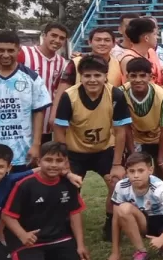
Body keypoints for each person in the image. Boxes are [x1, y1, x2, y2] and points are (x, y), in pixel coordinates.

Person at [55, 54, 132, 239]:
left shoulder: (115, 94)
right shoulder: (69, 96)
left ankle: (110, 223)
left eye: (97, 75)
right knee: (67, 188)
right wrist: (63, 161)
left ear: (105, 76)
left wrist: (116, 164)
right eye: (87, 76)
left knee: (116, 183)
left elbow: (121, 131)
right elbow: (59, 129)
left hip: (104, 150)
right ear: (81, 76)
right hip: (75, 152)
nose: (92, 80)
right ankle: (66, 227)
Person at [0, 142, 90, 260]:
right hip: (29, 240)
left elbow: (75, 214)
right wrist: (23, 235)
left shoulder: (68, 184)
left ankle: (46, 258)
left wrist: (80, 245)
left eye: (59, 161)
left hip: (57, 237)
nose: (53, 165)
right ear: (38, 161)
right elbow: (7, 216)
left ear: (66, 163)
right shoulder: (25, 185)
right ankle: (33, 259)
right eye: (48, 160)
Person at [0, 30, 53, 173]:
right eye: (0, 50)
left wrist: (36, 145)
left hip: (23, 152)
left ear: (18, 50)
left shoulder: (32, 78)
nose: (5, 55)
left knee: (22, 193)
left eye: (10, 50)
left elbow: (39, 112)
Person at [104, 152, 163, 260]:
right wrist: (115, 252)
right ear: (126, 172)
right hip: (144, 221)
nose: (136, 175)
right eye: (131, 171)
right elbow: (116, 219)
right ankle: (141, 252)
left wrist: (162, 238)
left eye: (141, 171)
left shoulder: (159, 187)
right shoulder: (121, 186)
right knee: (123, 209)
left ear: (150, 170)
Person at [122, 57, 163, 187]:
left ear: (150, 77)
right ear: (127, 76)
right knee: (136, 169)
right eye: (133, 76)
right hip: (138, 137)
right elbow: (125, 128)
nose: (138, 79)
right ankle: (140, 201)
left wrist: (160, 160)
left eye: (142, 75)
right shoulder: (121, 93)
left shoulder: (161, 95)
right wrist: (132, 153)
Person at [19, 22, 69, 142]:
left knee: (41, 157)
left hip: (46, 122)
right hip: (21, 120)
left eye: (62, 38)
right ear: (44, 35)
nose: (57, 40)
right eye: (54, 35)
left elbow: (56, 90)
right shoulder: (24, 53)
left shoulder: (61, 62)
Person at [57, 28, 123, 95]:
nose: (102, 43)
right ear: (89, 42)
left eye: (107, 40)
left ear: (114, 44)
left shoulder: (119, 64)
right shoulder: (76, 62)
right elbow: (62, 90)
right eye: (98, 40)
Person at [119, 18, 163, 88]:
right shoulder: (129, 59)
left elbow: (158, 80)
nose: (157, 37)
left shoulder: (151, 52)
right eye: (154, 34)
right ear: (146, 38)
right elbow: (133, 90)